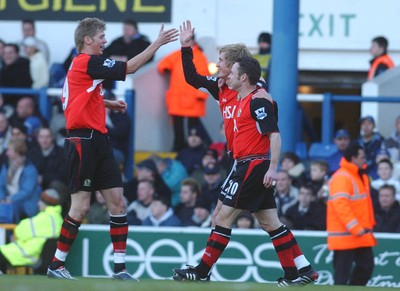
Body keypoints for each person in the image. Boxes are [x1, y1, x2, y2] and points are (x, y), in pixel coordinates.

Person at [46, 17, 178, 280]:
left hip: (99, 141)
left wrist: (107, 104)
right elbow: (129, 68)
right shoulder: (87, 62)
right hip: (82, 142)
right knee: (80, 207)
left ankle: (120, 269)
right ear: (88, 40)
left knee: (118, 204)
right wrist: (157, 44)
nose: (105, 41)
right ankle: (56, 264)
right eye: (102, 37)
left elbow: (77, 97)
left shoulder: (82, 67)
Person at [173, 56, 318, 286]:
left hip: (253, 165)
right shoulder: (244, 98)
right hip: (244, 163)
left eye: (232, 72)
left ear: (243, 77)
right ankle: (300, 271)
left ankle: (202, 271)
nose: (226, 75)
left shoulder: (258, 101)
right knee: (271, 222)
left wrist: (273, 168)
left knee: (223, 216)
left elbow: (275, 135)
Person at [178, 20, 269, 227]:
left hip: (249, 159)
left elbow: (262, 88)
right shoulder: (220, 86)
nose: (217, 64)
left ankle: (207, 260)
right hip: (234, 158)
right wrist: (186, 47)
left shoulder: (255, 89)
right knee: (267, 222)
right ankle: (299, 260)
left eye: (220, 60)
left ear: (235, 66)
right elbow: (192, 78)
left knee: (220, 216)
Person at [327, 143, 376, 285]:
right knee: (342, 276)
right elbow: (340, 206)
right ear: (353, 158)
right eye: (362, 157)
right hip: (346, 235)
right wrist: (355, 228)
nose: (364, 160)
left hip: (360, 234)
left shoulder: (359, 176)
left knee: (366, 267)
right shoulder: (342, 177)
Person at [157, 34, 211, 152]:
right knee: (179, 128)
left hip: (192, 99)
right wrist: (166, 68)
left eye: (188, 40)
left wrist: (201, 95)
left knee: (193, 130)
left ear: (193, 40)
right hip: (180, 98)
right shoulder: (178, 54)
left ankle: (191, 150)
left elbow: (205, 77)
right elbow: (162, 64)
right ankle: (178, 148)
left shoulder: (199, 57)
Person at [0, 188, 63, 274]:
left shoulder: (46, 218)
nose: (38, 203)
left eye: (40, 201)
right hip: (35, 253)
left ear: (45, 203)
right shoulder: (57, 218)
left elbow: (20, 231)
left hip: (29, 253)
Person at [103, 19, 152, 90]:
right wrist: (112, 58)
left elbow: (149, 57)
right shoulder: (118, 41)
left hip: (136, 78)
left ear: (135, 30)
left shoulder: (144, 42)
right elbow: (105, 53)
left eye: (128, 29)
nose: (126, 32)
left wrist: (127, 59)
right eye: (124, 29)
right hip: (113, 78)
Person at [0, 137, 41, 223]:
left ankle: (9, 234)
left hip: (25, 203)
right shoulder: (6, 166)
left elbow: (26, 192)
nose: (7, 153)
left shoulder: (30, 169)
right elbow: (1, 186)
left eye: (9, 150)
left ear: (17, 151)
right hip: (8, 200)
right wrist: (2, 198)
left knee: (10, 208)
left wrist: (10, 199)